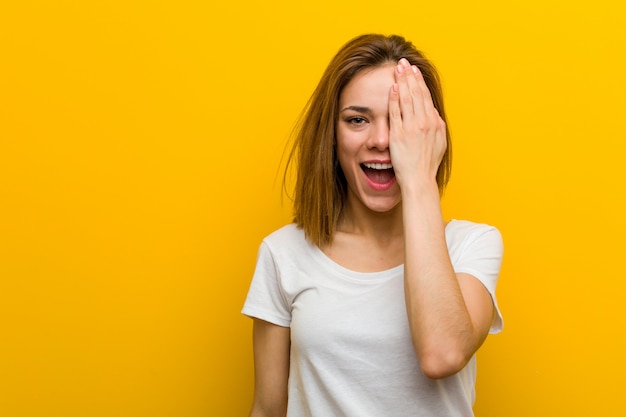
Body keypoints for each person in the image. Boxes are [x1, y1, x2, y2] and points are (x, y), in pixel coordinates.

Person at [242, 33, 504, 417]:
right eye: (357, 120)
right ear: (331, 135)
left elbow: (442, 353)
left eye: (401, 120)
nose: (381, 140)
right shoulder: (283, 254)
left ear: (429, 135)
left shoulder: (472, 245)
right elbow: (267, 409)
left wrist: (417, 179)